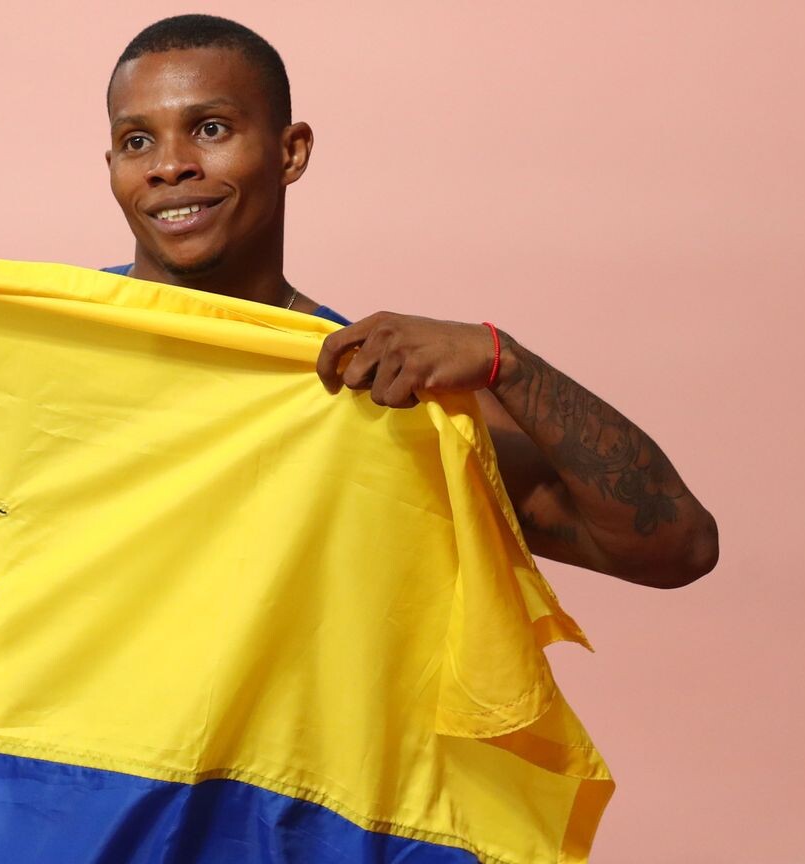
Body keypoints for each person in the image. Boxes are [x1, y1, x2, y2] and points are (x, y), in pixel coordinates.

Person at [104, 15, 717, 588]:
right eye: (137, 141)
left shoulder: (376, 391)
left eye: (210, 129)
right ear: (112, 165)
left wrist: (507, 362)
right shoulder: (54, 344)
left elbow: (678, 548)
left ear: (291, 152)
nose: (169, 166)